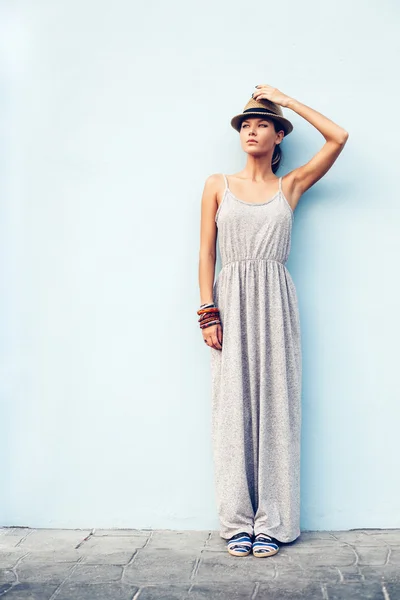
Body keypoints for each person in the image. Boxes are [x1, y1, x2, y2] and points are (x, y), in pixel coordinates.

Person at [197, 84, 349, 558]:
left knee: (277, 410)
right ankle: (238, 521)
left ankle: (274, 522)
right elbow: (205, 254)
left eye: (262, 123)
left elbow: (338, 137)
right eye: (246, 123)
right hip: (230, 300)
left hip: (276, 301)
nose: (251, 130)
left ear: (280, 134)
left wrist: (285, 98)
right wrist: (207, 313)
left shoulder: (291, 186)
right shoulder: (217, 184)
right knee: (231, 413)